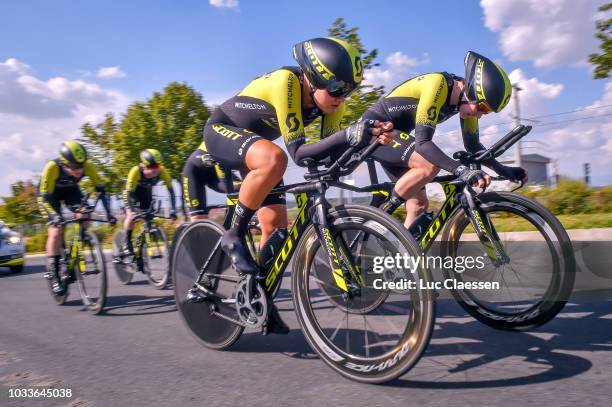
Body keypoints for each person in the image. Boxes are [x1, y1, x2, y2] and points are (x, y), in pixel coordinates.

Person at [201, 37, 393, 334]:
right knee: (274, 158)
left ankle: (257, 297)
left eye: (350, 90)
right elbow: (300, 154)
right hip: (223, 132)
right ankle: (233, 234)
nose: (343, 97)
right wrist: (348, 135)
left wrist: (363, 142)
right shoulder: (285, 82)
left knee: (276, 228)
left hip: (259, 149)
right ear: (313, 77)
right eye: (338, 88)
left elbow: (330, 159)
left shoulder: (332, 105)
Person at [359, 51, 528, 234]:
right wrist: (461, 171)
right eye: (482, 107)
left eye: (486, 112)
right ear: (470, 89)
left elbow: (472, 146)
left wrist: (504, 170)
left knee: (418, 205)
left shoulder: (465, 103)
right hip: (376, 131)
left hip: (397, 137)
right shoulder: (437, 84)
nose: (480, 115)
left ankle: (400, 258)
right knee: (428, 166)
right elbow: (423, 143)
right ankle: (375, 226)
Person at [38, 140, 116, 294]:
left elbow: (101, 190)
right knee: (56, 230)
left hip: (71, 191)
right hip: (49, 197)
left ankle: (79, 241)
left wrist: (109, 214)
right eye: (74, 167)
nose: (79, 170)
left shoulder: (87, 166)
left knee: (85, 215)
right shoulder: (52, 167)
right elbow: (44, 197)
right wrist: (55, 217)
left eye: (81, 166)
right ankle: (54, 272)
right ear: (63, 163)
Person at [120, 149, 177, 260]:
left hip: (146, 192)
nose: (156, 170)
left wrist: (173, 210)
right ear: (144, 166)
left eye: (158, 166)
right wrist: (131, 210)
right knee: (131, 216)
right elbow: (128, 194)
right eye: (152, 167)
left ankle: (142, 240)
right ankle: (127, 242)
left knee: (149, 217)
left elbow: (171, 191)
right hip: (132, 193)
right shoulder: (135, 171)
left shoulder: (162, 171)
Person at [182, 141, 241, 221]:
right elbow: (226, 183)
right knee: (199, 218)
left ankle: (229, 224)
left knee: (241, 187)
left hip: (213, 174)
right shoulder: (224, 138)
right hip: (194, 173)